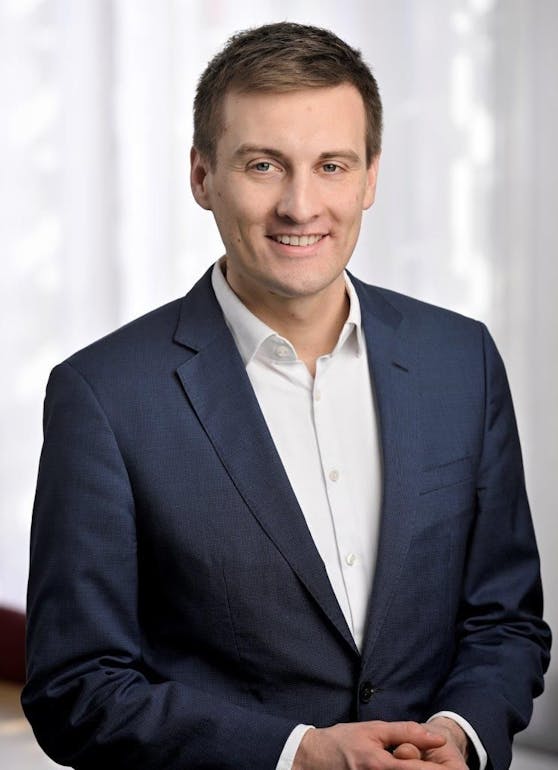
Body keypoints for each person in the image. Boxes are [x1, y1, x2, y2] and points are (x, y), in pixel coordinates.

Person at [22, 21, 550, 770]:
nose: (301, 206)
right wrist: (301, 754)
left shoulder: (461, 360)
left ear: (370, 178)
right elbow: (76, 688)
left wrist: (457, 737)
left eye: (331, 165)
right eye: (264, 165)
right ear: (202, 176)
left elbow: (505, 621)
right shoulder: (103, 396)